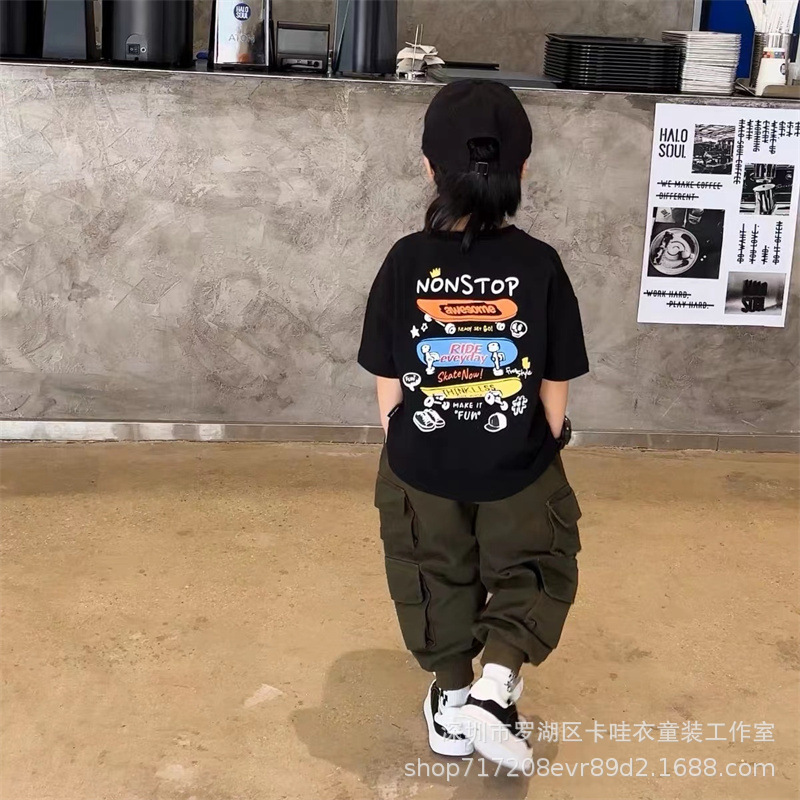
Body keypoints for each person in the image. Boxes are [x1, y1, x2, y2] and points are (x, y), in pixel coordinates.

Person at [357, 79, 589, 769]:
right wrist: (547, 439)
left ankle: (454, 701)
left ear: (429, 167)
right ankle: (498, 683)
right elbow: (555, 377)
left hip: (420, 460)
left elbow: (386, 368)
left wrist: (402, 433)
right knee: (533, 564)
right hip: (516, 460)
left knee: (432, 572)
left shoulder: (404, 259)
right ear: (523, 169)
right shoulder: (540, 264)